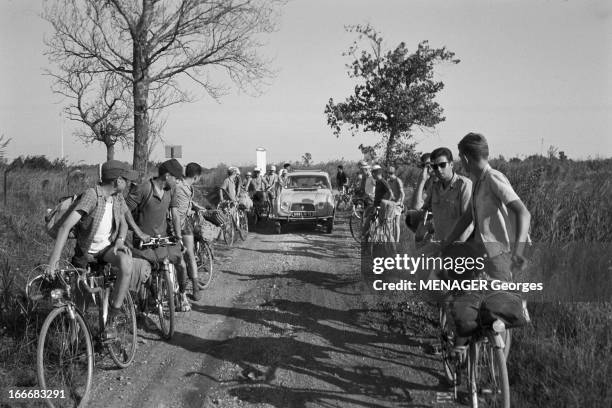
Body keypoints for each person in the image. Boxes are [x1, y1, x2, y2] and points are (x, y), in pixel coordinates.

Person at [441, 133, 531, 351]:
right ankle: (466, 344)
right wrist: (447, 242)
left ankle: (496, 373)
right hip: (482, 254)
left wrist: (519, 251)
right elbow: (467, 218)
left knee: (497, 311)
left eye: (461, 157)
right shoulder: (478, 182)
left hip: (499, 256)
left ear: (466, 157)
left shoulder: (492, 178)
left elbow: (523, 213)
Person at [46, 160, 138, 339]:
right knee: (81, 303)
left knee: (127, 263)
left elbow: (124, 225)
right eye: (126, 179)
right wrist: (53, 261)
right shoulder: (92, 195)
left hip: (107, 249)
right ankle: (74, 342)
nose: (128, 183)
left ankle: (112, 317)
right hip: (85, 253)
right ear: (118, 180)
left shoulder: (118, 197)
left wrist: (120, 241)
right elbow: (65, 227)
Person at [126, 159, 192, 312]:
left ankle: (181, 294)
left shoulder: (171, 190)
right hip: (145, 240)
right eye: (176, 178)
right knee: (147, 271)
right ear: (167, 176)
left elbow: (175, 214)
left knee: (181, 263)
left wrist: (178, 236)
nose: (177, 181)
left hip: (164, 237)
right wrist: (138, 232)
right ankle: (147, 299)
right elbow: (124, 210)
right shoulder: (144, 189)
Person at [170, 162, 206, 302]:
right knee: (190, 255)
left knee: (184, 256)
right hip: (182, 224)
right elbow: (181, 210)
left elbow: (187, 203)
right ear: (196, 177)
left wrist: (196, 207)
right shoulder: (181, 187)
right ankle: (195, 288)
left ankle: (187, 286)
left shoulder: (182, 185)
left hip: (176, 222)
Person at [361, 164, 395, 240]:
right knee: (369, 221)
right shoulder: (377, 182)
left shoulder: (383, 182)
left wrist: (385, 203)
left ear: (377, 173)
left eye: (373, 173)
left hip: (380, 207)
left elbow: (391, 194)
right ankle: (367, 240)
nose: (372, 174)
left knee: (383, 228)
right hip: (375, 206)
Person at [386, 166, 405, 242]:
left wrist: (401, 203)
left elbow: (403, 193)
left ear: (390, 173)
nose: (387, 175)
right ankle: (390, 240)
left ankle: (396, 241)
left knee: (396, 223)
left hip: (397, 204)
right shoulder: (388, 181)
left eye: (387, 173)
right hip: (390, 204)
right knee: (389, 223)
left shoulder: (398, 180)